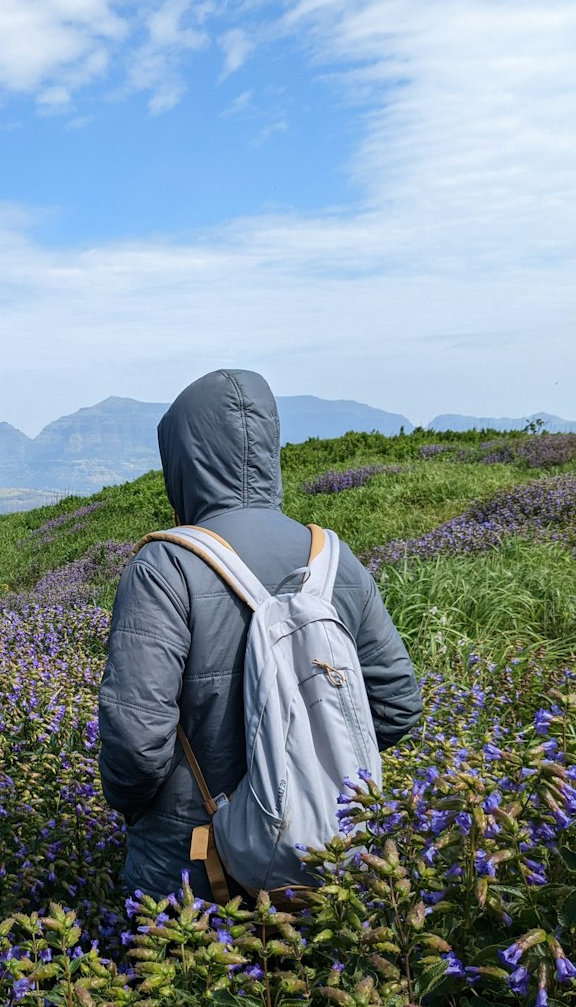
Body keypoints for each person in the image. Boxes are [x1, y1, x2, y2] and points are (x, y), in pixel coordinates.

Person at [98, 368, 423, 901]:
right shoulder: (338, 561)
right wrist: (310, 778)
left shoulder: (164, 566)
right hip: (325, 864)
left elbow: (135, 745)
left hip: (196, 871)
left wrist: (143, 812)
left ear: (182, 459)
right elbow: (397, 709)